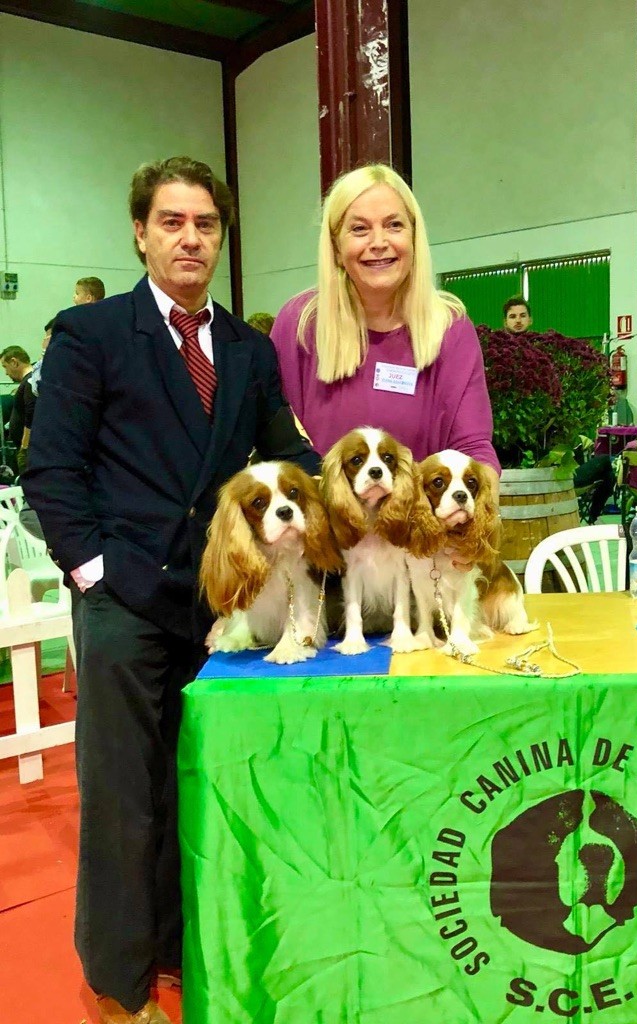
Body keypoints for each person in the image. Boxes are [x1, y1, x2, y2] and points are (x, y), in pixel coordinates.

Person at [24, 155, 319, 1024]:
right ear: (140, 233)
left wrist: (357, 482)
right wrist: (93, 571)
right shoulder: (92, 335)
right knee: (124, 797)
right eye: (172, 222)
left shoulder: (249, 351)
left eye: (206, 225)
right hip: (123, 601)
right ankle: (119, 983)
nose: (191, 239)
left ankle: (181, 946)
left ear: (222, 238)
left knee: (202, 782)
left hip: (220, 604)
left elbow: (286, 454)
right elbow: (53, 470)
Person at [271, 163, 500, 475]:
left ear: (414, 237)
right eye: (359, 229)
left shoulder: (450, 328)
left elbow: (473, 449)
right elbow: (278, 446)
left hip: (419, 508)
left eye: (394, 225)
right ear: (336, 247)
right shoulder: (299, 325)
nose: (378, 243)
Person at [0, 344, 35, 473]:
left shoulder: (30, 382)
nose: (6, 373)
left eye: (5, 367)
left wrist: (24, 448)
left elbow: (31, 416)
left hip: (29, 450)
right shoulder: (28, 382)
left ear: (14, 362)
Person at [572, 435, 615, 524]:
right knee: (605, 460)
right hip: (570, 478)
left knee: (608, 476)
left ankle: (594, 516)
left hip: (571, 477)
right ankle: (594, 515)